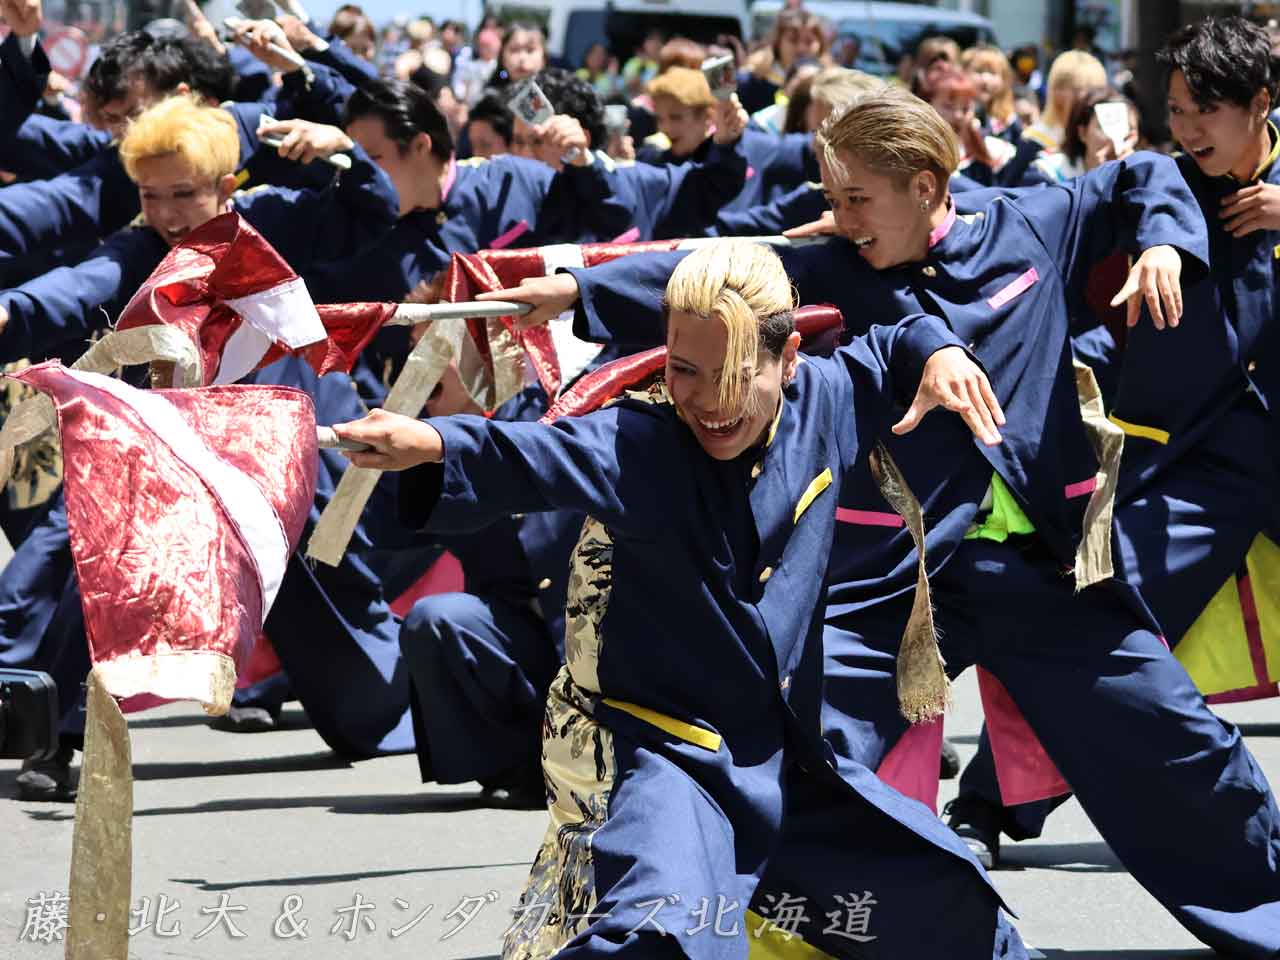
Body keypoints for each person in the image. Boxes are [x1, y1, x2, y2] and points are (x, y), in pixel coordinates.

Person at [479, 85, 1280, 957]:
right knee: (767, 755)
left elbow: (1144, 176)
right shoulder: (834, 268)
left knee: (1182, 754)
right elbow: (729, 261)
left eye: (859, 197)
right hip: (893, 586)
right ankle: (682, 930)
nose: (840, 216)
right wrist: (572, 290)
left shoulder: (1031, 226)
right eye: (833, 195)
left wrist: (1164, 242)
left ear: (930, 186)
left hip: (1044, 575)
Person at [333, 237, 1027, 959]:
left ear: (789, 360)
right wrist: (430, 442)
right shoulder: (642, 444)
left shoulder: (829, 395)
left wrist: (941, 350)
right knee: (658, 937)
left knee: (962, 916)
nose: (707, 399)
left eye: (733, 373)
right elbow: (530, 457)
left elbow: (898, 339)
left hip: (788, 764)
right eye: (683, 371)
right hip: (671, 760)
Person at [949, 18, 1280, 894]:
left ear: (1263, 105)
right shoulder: (1160, 179)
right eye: (1176, 109)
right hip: (1193, 467)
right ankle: (987, 805)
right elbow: (1118, 202)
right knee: (1093, 618)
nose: (1188, 127)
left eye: (1207, 110)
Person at [1029, 87, 1138, 183]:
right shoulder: (1047, 172)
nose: (1115, 139)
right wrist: (1098, 178)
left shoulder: (1141, 176)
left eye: (1128, 129)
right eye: (1104, 128)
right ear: (1083, 133)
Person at [738, 8, 828, 114]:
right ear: (778, 42)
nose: (801, 48)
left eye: (809, 41)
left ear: (820, 44)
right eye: (793, 40)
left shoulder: (831, 84)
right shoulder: (750, 83)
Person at [962, 44, 1020, 143]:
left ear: (1004, 79)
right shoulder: (956, 115)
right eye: (979, 71)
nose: (986, 79)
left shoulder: (1010, 121)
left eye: (993, 73)